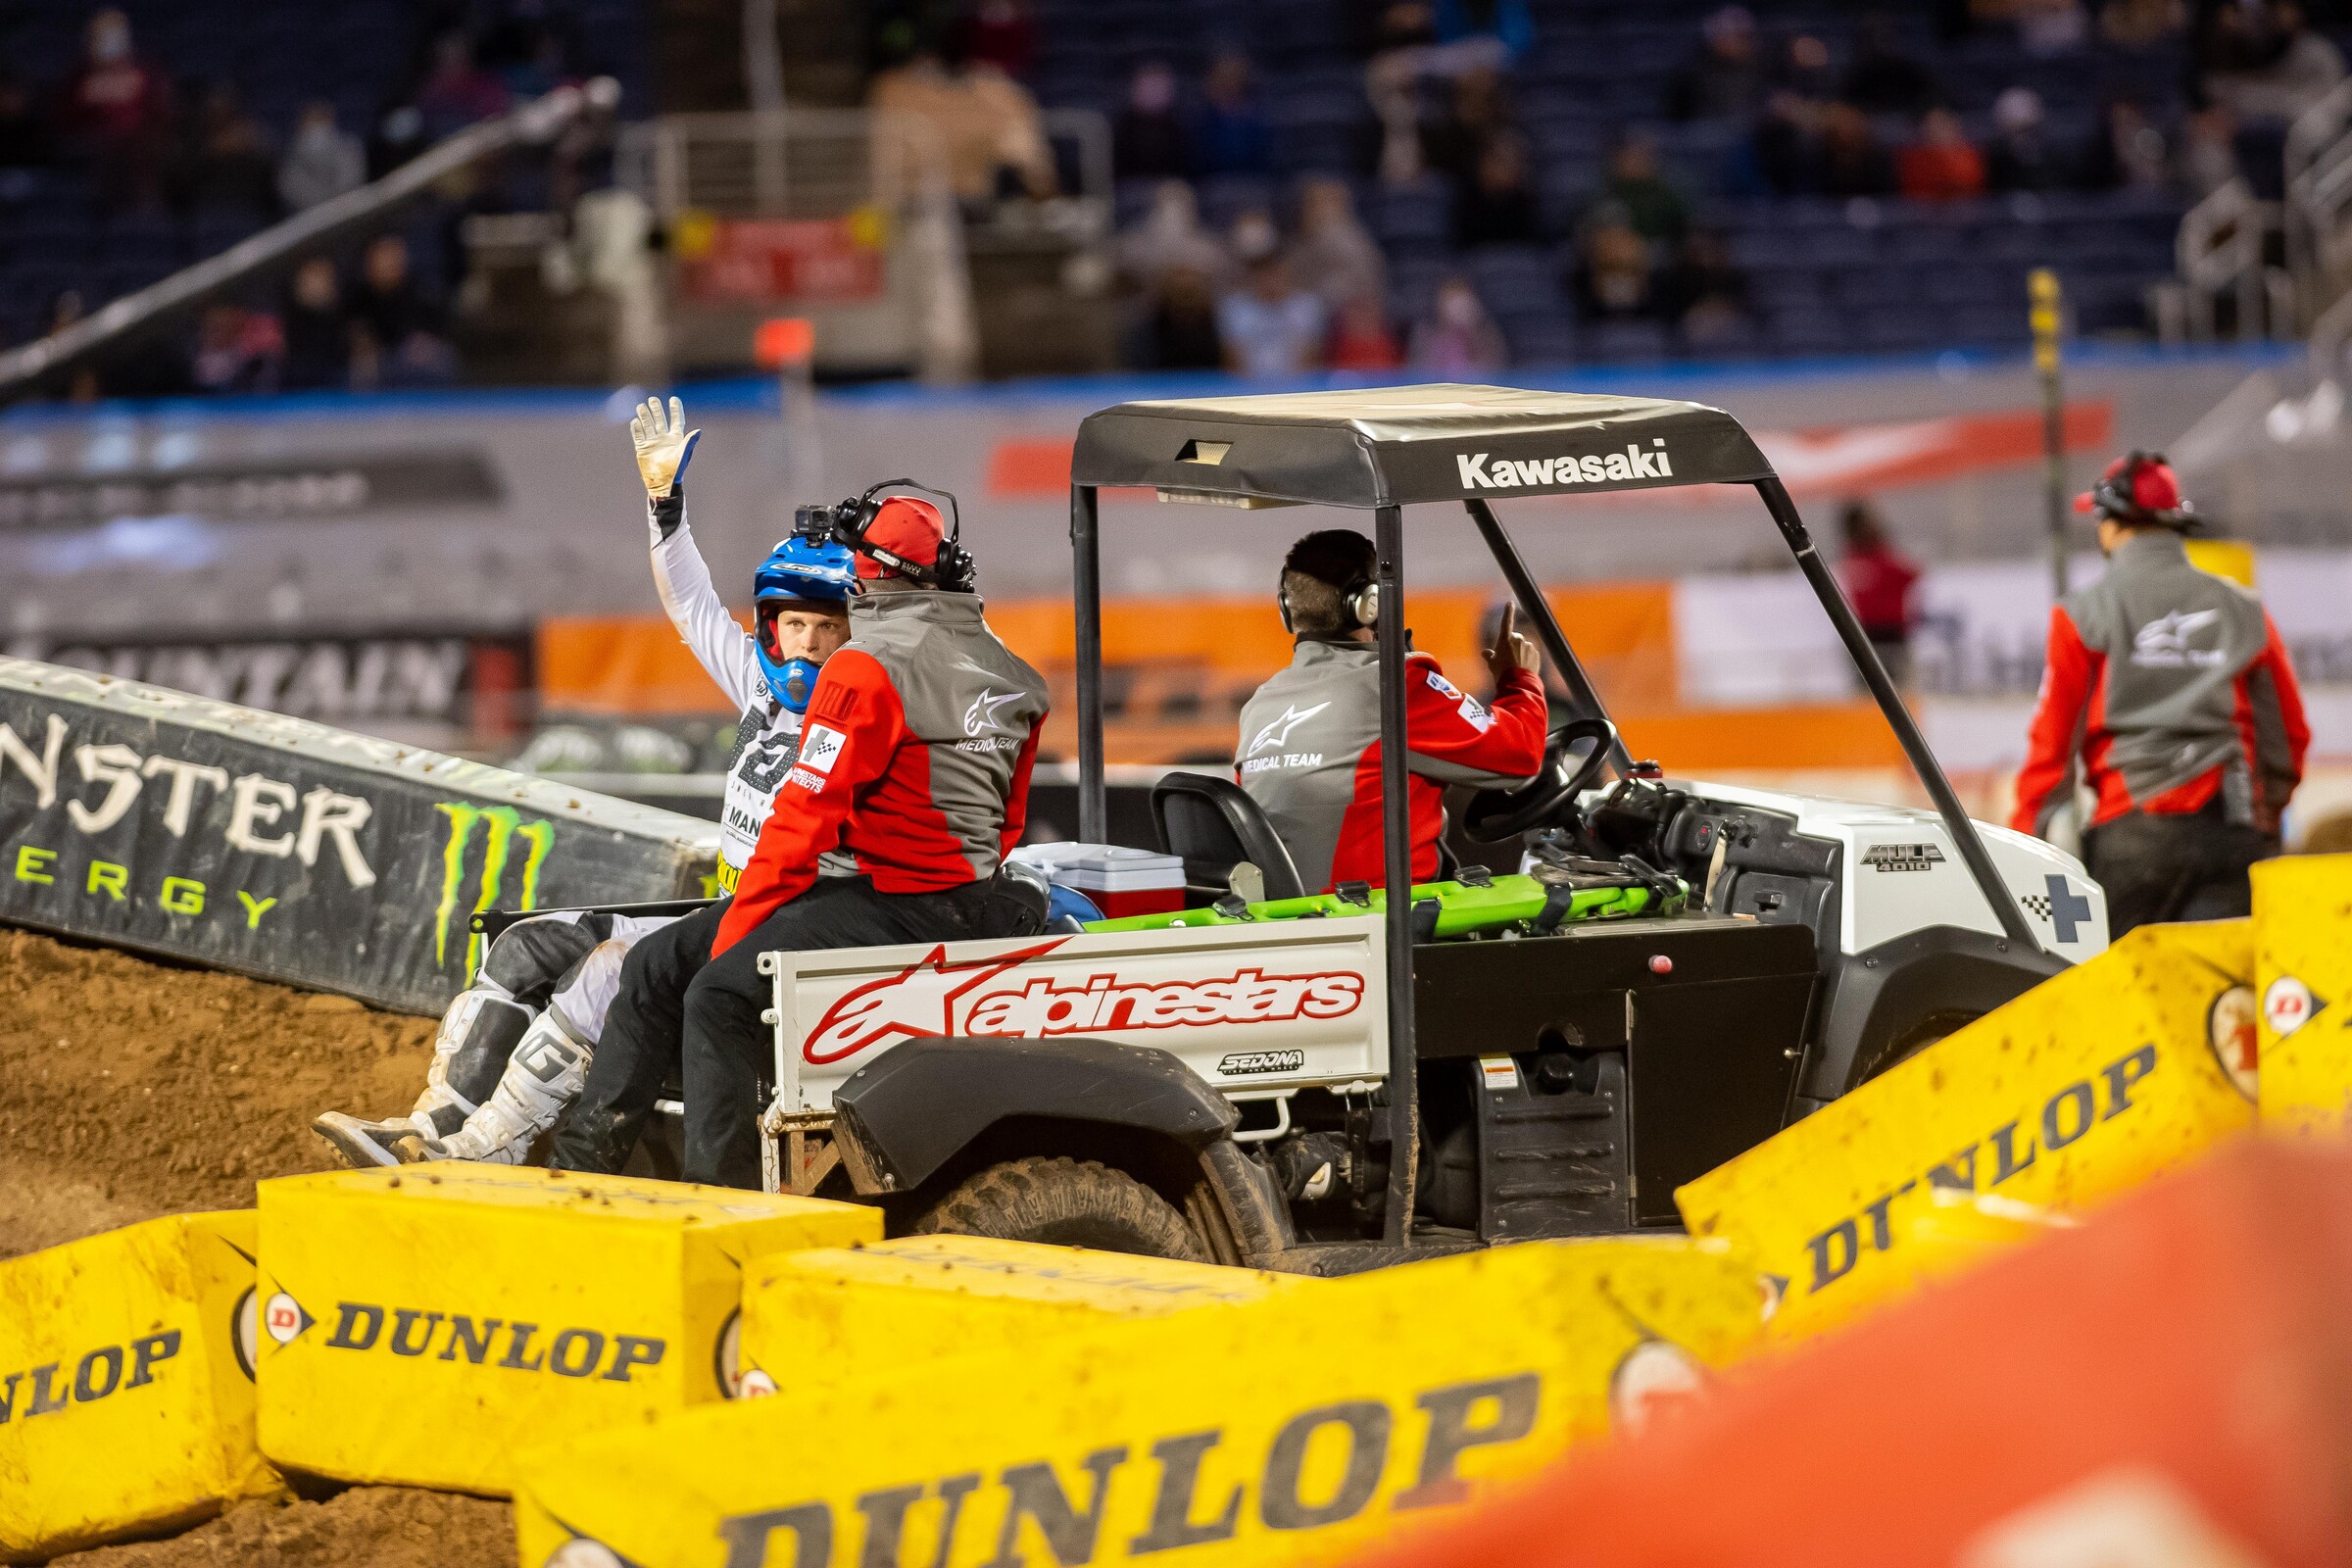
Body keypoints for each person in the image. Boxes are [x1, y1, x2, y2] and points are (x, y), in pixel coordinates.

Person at [313, 398, 860, 1169]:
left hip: (782, 935)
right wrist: (665, 506)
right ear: (772, 627)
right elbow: (690, 604)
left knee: (605, 972)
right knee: (526, 945)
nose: (807, 645)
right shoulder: (756, 685)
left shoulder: (864, 716)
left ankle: (488, 1151)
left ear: (854, 634)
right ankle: (430, 1127)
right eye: (795, 625)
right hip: (726, 909)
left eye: (828, 628)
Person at [582, 449, 1053, 1191]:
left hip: (882, 897)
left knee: (714, 993)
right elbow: (1010, 822)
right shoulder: (1016, 675)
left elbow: (802, 823)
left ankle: (721, 1203)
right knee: (651, 965)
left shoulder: (864, 667)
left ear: (865, 573)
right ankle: (593, 1168)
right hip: (956, 895)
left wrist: (733, 941)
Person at [2010, 453, 2309, 936]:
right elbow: (2288, 735)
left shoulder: (2083, 613)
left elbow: (2051, 750)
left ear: (2111, 525)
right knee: (2224, 981)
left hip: (2131, 833)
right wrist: (2265, 816)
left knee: (2121, 981)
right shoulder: (2244, 610)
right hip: (2232, 831)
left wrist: (2024, 839)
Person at [1235, 529, 1546, 893]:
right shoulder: (1396, 685)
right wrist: (1519, 679)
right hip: (1389, 916)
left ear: (1286, 610)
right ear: (1369, 604)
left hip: (1287, 915)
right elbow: (1521, 754)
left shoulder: (1259, 706)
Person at [1837, 500, 1921, 687]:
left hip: (1890, 633)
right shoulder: (1857, 558)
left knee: (1894, 688)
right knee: (1870, 689)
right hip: (1868, 633)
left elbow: (1911, 575)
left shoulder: (1880, 557)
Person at [278, 101, 366, 213]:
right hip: (308, 216)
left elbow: (351, 182)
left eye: (321, 119)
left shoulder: (350, 147)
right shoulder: (290, 155)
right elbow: (292, 188)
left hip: (346, 211)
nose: (318, 128)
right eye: (313, 120)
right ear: (302, 124)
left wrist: (337, 204)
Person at [1898, 107, 1986, 203]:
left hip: (1964, 208)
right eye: (1931, 126)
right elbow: (1915, 192)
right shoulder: (1915, 159)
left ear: (1953, 126)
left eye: (1941, 125)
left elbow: (1970, 186)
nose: (1935, 131)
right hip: (1923, 209)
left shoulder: (1968, 156)